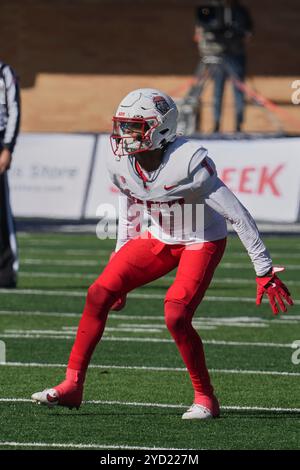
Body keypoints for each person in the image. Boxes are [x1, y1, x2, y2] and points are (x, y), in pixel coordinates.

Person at [32, 88, 293, 419]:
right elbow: (129, 201)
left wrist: (264, 269)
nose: (125, 135)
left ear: (161, 130)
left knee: (176, 314)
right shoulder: (122, 162)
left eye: (134, 127)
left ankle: (205, 398)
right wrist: (119, 258)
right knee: (99, 293)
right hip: (159, 237)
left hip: (201, 239)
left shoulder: (188, 163)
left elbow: (237, 215)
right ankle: (72, 385)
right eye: (123, 126)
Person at [193, 0, 253, 132]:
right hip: (217, 54)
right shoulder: (211, 9)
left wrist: (234, 35)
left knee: (238, 91)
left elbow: (248, 33)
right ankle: (216, 124)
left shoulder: (240, 11)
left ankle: (238, 125)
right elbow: (201, 29)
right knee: (217, 91)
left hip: (235, 54)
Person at [0, 60, 20, 288]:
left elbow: (14, 109)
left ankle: (6, 271)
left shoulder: (5, 72)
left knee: (1, 211)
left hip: (0, 142)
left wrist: (7, 147)